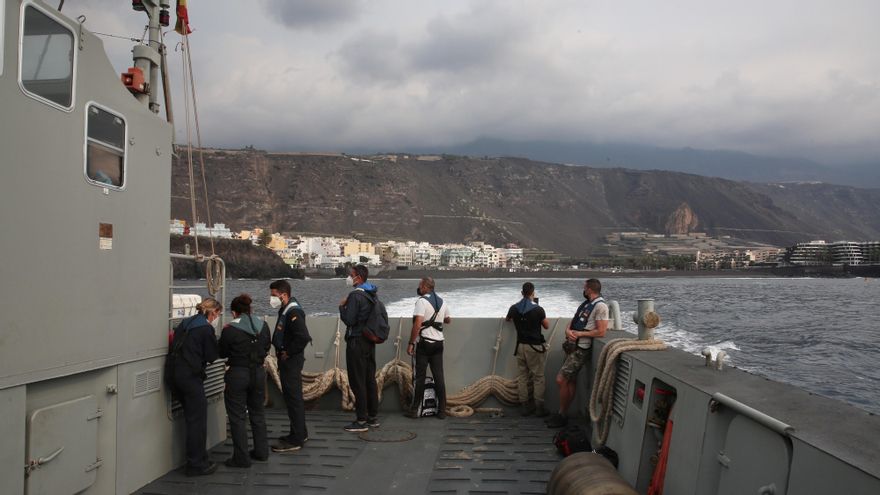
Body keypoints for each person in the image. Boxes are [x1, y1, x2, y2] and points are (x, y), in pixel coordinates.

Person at [545, 279, 609, 428]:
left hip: (581, 350)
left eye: (585, 287)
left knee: (561, 380)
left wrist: (580, 334)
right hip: (572, 347)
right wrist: (568, 330)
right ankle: (563, 414)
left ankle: (562, 414)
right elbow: (573, 321)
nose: (583, 290)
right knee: (570, 380)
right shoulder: (586, 305)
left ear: (590, 289)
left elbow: (601, 331)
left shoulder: (601, 306)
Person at [218, 294, 271, 467]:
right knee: (258, 413)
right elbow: (266, 346)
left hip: (238, 374)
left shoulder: (229, 329)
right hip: (258, 373)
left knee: (237, 417)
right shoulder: (262, 325)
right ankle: (261, 452)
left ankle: (241, 458)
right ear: (250, 309)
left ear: (234, 312)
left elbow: (222, 352)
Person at [170, 297, 221, 476]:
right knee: (197, 422)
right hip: (190, 378)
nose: (217, 318)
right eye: (218, 314)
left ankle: (197, 459)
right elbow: (212, 356)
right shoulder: (206, 329)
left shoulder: (186, 323)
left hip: (175, 374)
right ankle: (196, 464)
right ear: (213, 312)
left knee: (192, 418)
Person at [269, 280, 312, 452]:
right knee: (292, 398)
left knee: (294, 400)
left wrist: (288, 352)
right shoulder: (286, 309)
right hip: (287, 361)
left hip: (291, 361)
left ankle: (296, 439)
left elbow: (303, 337)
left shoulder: (293, 312)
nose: (271, 298)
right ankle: (300, 432)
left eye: (274, 295)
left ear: (284, 295)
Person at [338, 265, 381, 432]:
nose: (349, 277)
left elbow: (349, 320)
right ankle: (372, 417)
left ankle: (361, 420)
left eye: (351, 275)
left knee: (357, 381)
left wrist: (342, 307)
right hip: (369, 341)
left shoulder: (355, 296)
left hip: (356, 342)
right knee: (370, 380)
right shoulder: (372, 294)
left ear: (359, 278)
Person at [406, 277, 452, 419]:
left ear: (426, 287)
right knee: (439, 376)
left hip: (424, 344)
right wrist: (437, 318)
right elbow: (448, 320)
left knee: (420, 377)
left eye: (420, 285)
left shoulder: (421, 301)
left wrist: (411, 343)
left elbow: (417, 324)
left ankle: (415, 410)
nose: (419, 287)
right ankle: (442, 411)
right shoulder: (442, 301)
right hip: (439, 343)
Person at [505, 282, 550, 417]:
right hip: (535, 347)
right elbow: (546, 326)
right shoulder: (538, 309)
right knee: (538, 377)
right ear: (533, 293)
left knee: (522, 377)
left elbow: (508, 319)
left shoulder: (514, 308)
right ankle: (539, 408)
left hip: (520, 346)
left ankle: (524, 407)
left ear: (521, 293)